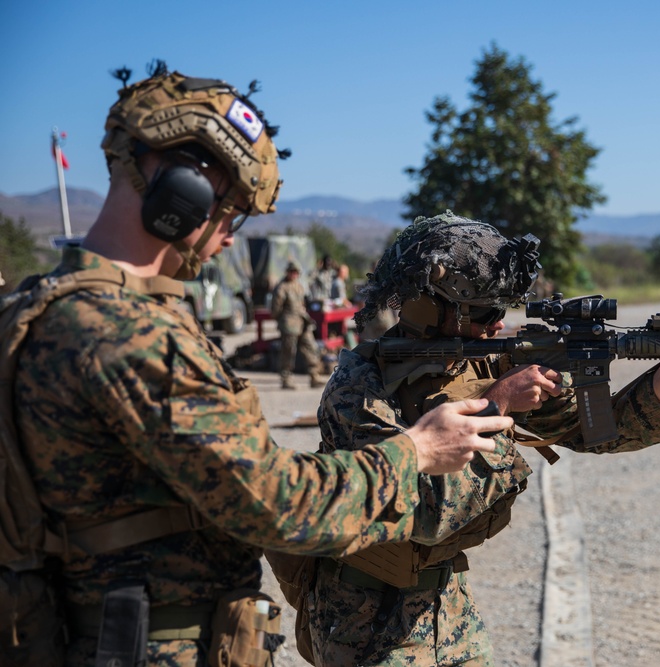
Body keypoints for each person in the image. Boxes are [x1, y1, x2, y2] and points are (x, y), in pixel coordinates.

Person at [9, 67, 511, 667]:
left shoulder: (46, 305)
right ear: (184, 193)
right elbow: (279, 503)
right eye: (231, 211)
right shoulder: (129, 334)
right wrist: (417, 451)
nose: (225, 238)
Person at [308, 212, 660, 666]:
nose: (497, 326)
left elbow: (592, 431)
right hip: (365, 622)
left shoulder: (482, 361)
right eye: (486, 312)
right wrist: (497, 405)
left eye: (503, 311)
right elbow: (423, 512)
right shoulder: (359, 389)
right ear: (430, 307)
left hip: (447, 611)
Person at [271, 260, 324, 389]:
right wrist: (282, 321)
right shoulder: (282, 287)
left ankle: (314, 376)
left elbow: (302, 304)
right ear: (287, 272)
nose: (293, 274)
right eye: (291, 272)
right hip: (289, 324)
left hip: (302, 322)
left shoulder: (299, 286)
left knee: (310, 348)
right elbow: (275, 309)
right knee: (288, 351)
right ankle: (286, 379)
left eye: (296, 272)